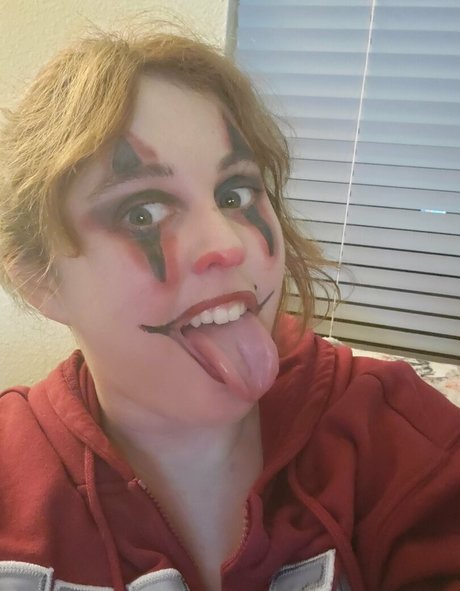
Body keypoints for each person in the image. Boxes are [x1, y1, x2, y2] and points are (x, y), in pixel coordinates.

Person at [0, 29, 459, 591]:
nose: (228, 244)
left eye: (234, 195)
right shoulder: (12, 477)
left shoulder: (393, 432)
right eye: (142, 213)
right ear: (40, 280)